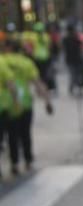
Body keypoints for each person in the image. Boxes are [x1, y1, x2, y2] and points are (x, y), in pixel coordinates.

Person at [3, 39, 53, 175]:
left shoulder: (2, 61)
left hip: (8, 104)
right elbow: (38, 83)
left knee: (11, 135)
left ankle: (14, 163)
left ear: (7, 47)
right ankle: (28, 160)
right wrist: (47, 101)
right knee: (25, 133)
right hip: (26, 102)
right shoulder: (27, 63)